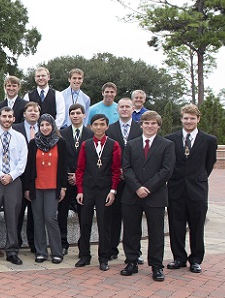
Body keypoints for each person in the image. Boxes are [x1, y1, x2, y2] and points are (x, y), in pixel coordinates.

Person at [120, 111, 174, 282]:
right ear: (141, 124)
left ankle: (157, 266)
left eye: (153, 123)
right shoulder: (131, 144)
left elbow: (166, 170)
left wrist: (148, 188)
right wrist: (137, 187)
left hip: (155, 195)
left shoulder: (167, 145)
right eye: (147, 123)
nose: (150, 126)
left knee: (156, 232)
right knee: (131, 231)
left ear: (158, 126)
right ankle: (131, 262)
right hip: (132, 194)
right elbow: (126, 168)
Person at [165, 104, 217, 274]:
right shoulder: (170, 139)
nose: (189, 121)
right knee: (176, 226)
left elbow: (209, 164)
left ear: (198, 119)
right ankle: (179, 258)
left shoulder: (209, 140)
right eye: (186, 118)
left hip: (197, 190)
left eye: (192, 118)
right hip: (176, 189)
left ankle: (195, 259)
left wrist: (197, 178)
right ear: (181, 119)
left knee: (197, 226)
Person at [74, 113, 121, 271]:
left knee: (104, 223)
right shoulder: (86, 145)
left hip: (105, 189)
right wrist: (80, 190)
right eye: (96, 124)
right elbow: (79, 169)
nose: (99, 127)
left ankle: (104, 257)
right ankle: (84, 255)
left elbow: (116, 171)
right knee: (85, 222)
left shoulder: (113, 145)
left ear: (107, 126)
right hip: (87, 189)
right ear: (91, 126)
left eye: (102, 124)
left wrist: (113, 191)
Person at [0, 106, 27, 265]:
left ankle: (12, 251)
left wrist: (11, 175)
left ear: (14, 119)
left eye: (10, 116)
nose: (7, 119)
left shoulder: (20, 138)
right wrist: (0, 175)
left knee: (13, 217)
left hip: (14, 181)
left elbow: (23, 162)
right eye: (4, 116)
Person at [24, 113, 67, 264]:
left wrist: (63, 187)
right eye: (42, 125)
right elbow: (29, 167)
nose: (45, 128)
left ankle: (56, 251)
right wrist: (28, 188)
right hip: (36, 187)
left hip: (53, 187)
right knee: (38, 219)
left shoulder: (60, 143)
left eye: (48, 125)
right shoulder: (33, 143)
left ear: (53, 126)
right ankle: (41, 251)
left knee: (51, 218)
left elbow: (63, 166)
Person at [106, 97, 143, 261]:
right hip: (115, 180)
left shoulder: (141, 129)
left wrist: (129, 172)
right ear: (117, 109)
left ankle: (136, 251)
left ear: (133, 108)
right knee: (113, 216)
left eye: (128, 106)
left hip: (134, 181)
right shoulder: (110, 129)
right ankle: (112, 249)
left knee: (133, 218)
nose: (125, 109)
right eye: (121, 107)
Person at [58, 103, 92, 255]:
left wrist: (79, 175)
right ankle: (62, 243)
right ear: (69, 116)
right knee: (62, 213)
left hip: (83, 181)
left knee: (84, 214)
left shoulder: (90, 135)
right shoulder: (62, 134)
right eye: (72, 113)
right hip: (65, 180)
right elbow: (59, 158)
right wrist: (67, 175)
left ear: (84, 115)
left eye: (78, 113)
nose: (75, 116)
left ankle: (83, 245)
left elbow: (92, 160)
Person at [14, 101, 40, 252]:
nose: (33, 112)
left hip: (37, 176)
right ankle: (15, 242)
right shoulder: (16, 129)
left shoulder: (44, 129)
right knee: (17, 211)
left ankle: (33, 243)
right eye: (29, 110)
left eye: (35, 110)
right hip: (19, 176)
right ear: (24, 114)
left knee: (34, 212)